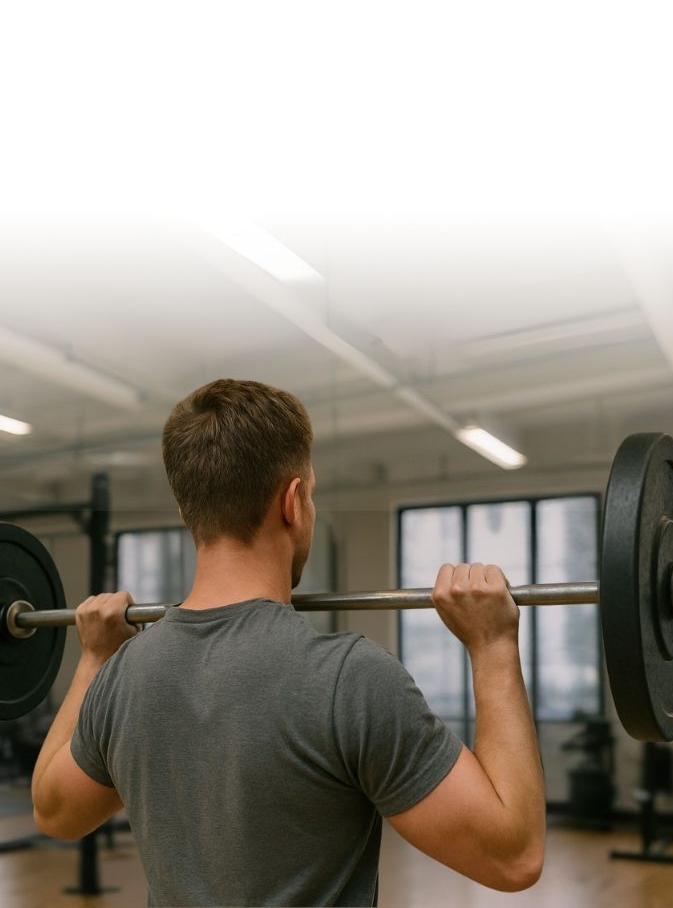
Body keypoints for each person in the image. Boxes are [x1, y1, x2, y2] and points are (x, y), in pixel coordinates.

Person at [32, 379, 545, 906]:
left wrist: (95, 656)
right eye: (313, 493)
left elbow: (54, 812)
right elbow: (514, 858)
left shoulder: (124, 674)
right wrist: (493, 647)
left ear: (189, 511)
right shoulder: (349, 680)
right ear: (293, 502)